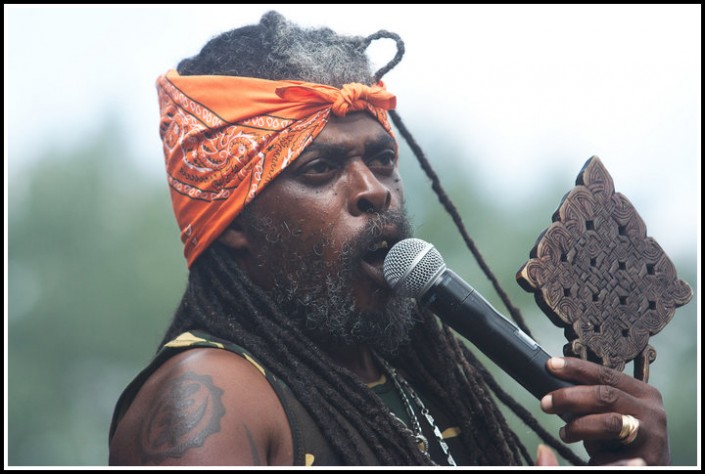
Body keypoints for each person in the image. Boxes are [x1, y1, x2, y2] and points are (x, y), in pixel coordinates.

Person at [108, 11, 670, 466]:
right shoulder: (205, 400)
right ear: (231, 222)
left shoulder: (421, 374)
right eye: (320, 170)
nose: (373, 191)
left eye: (381, 160)